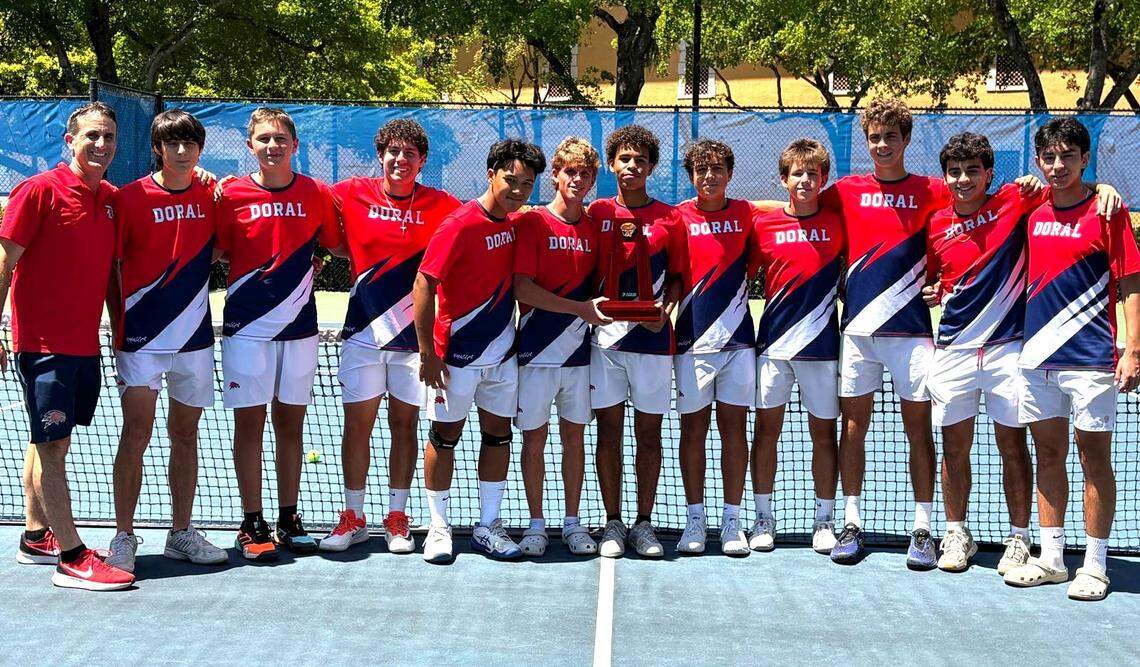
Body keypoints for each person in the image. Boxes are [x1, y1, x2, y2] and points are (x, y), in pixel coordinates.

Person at [1004, 117, 1140, 601]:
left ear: (1085, 160)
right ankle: (1054, 558)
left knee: (1093, 458)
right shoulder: (1032, 207)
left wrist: (1133, 348)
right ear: (1039, 161)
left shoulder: (1107, 210)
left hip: (1092, 361)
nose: (1058, 166)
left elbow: (1129, 283)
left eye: (1068, 157)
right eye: (1049, 158)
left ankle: (1097, 565)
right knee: (1048, 454)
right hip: (1036, 358)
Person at [0, 102, 134, 590]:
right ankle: (73, 556)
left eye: (110, 137)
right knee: (53, 444)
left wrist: (120, 333)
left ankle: (36, 536)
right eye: (92, 136)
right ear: (70, 141)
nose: (101, 145)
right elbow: (4, 262)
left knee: (49, 439)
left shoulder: (113, 201)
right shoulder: (37, 191)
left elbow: (112, 277)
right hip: (42, 345)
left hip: (85, 345)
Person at [320, 119, 460, 554]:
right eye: (393, 152)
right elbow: (299, 193)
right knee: (356, 427)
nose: (401, 160)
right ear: (381, 155)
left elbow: (483, 217)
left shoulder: (442, 204)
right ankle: (354, 516)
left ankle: (397, 517)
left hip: (413, 344)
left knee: (405, 425)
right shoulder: (349, 192)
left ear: (422, 161)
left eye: (410, 154)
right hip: (362, 334)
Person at [820, 98, 948, 567]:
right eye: (874, 137)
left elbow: (989, 203)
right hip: (857, 335)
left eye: (890, 137)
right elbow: (797, 201)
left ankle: (923, 528)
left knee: (919, 431)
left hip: (913, 334)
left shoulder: (933, 190)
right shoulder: (846, 190)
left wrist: (1097, 189)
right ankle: (851, 523)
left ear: (906, 140)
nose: (881, 145)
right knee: (853, 429)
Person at [216, 107, 343, 561]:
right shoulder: (228, 195)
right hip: (246, 331)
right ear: (250, 146)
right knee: (249, 425)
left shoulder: (316, 194)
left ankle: (289, 517)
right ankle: (252, 521)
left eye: (281, 139)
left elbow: (334, 245)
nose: (273, 146)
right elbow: (210, 248)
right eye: (264, 139)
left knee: (291, 423)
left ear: (295, 145)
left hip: (301, 330)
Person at [104, 109, 228, 572]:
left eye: (189, 144)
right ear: (157, 148)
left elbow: (224, 245)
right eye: (171, 144)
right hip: (141, 340)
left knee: (186, 435)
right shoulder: (130, 199)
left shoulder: (213, 195)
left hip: (195, 340)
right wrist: (121, 327)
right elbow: (112, 269)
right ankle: (122, 537)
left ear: (200, 149)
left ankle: (180, 532)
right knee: (135, 433)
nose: (181, 152)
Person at [413, 139, 545, 563]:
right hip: (455, 360)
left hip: (503, 358)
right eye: (511, 179)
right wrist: (429, 354)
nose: (519, 190)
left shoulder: (518, 223)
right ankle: (438, 526)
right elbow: (424, 283)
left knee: (498, 437)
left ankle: (488, 526)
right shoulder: (460, 224)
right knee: (444, 436)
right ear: (491, 174)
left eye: (527, 183)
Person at [589, 125, 688, 559]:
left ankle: (643, 523)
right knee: (608, 433)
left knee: (649, 434)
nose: (632, 166)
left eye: (640, 160)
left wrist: (663, 316)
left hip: (653, 345)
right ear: (612, 164)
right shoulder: (594, 213)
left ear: (651, 167)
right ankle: (613, 522)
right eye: (624, 159)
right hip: (604, 344)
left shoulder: (671, 218)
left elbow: (680, 279)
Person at [513, 137, 609, 557]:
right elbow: (522, 289)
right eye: (570, 171)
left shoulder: (594, 227)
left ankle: (572, 523)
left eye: (586, 173)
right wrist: (579, 308)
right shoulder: (533, 223)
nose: (577, 179)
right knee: (534, 441)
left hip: (578, 357)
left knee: (574, 440)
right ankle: (536, 525)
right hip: (534, 355)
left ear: (593, 180)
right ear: (555, 174)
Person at [750, 139, 844, 555]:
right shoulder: (763, 225)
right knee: (765, 432)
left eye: (813, 173)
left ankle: (824, 521)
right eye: (798, 174)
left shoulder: (841, 221)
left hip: (822, 350)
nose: (805, 180)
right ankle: (763, 518)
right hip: (772, 348)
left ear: (824, 179)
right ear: (784, 179)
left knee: (824, 434)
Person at [672, 139, 760, 556]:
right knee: (693, 430)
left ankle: (731, 521)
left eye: (717, 169)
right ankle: (695, 519)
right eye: (701, 169)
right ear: (691, 175)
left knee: (733, 431)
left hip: (739, 344)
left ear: (729, 173)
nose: (709, 176)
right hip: (690, 344)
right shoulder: (676, 218)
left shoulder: (747, 214)